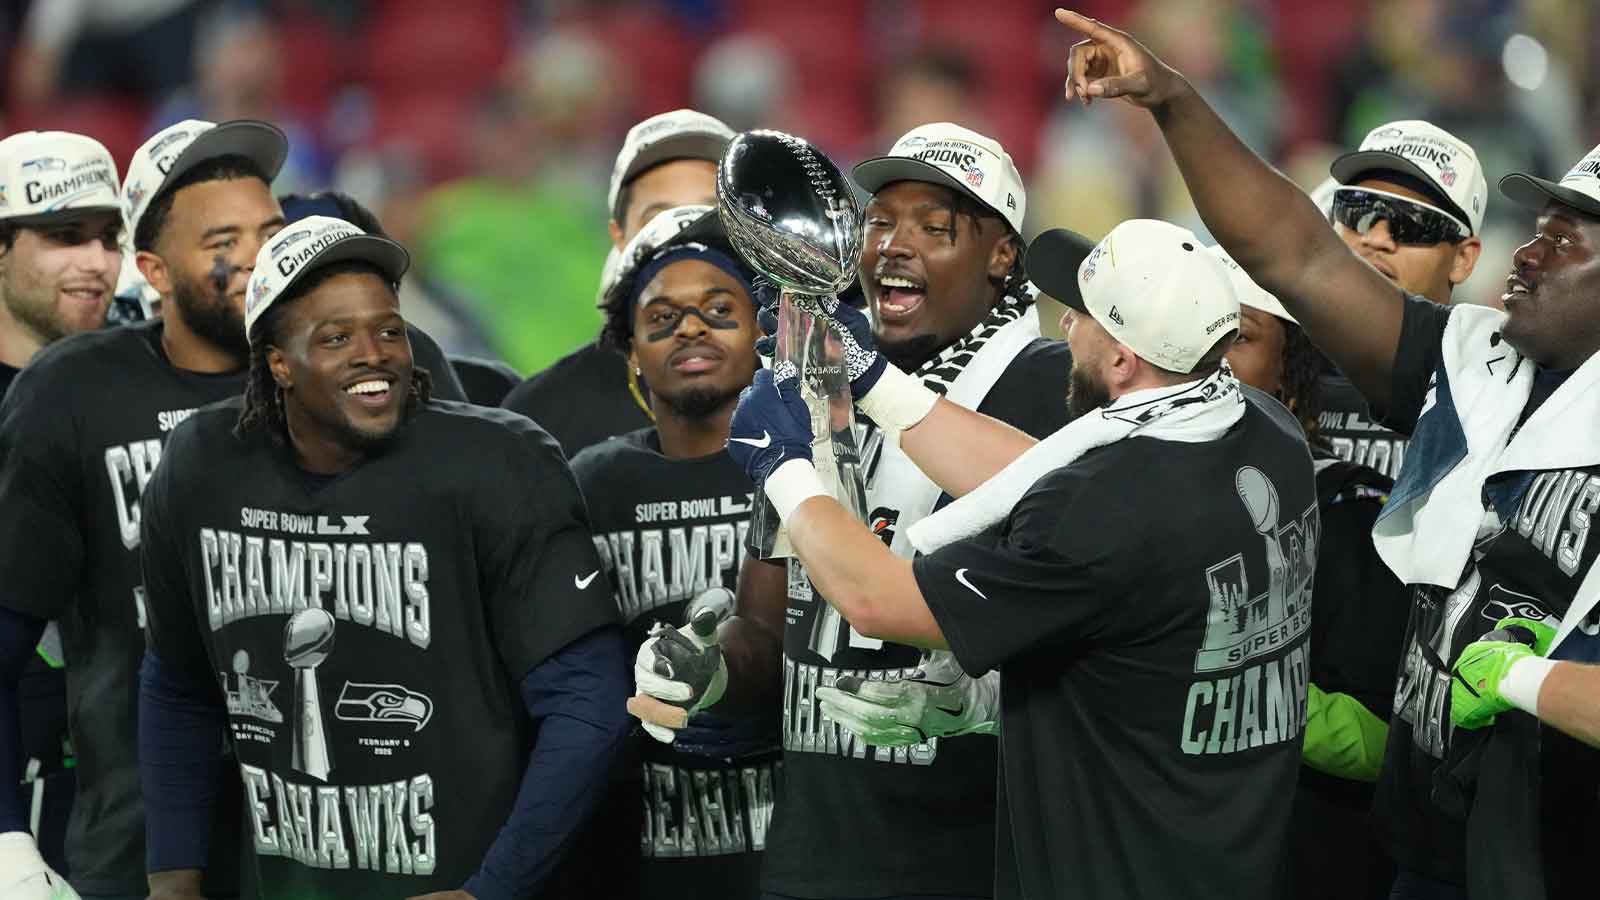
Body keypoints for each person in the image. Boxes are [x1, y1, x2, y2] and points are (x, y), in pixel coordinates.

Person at [1049, 8, 1600, 896]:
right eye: (1538, 229)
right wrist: (1175, 100)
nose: (1527, 253)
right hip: (1423, 839)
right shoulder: (1474, 356)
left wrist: (1527, 680)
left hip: (1558, 850)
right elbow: (1295, 252)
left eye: (1566, 240)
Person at [719, 217, 1315, 900]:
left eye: (1083, 317)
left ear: (1122, 361)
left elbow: (878, 600)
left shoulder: (1101, 514)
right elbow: (1040, 472)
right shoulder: (1263, 432)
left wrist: (785, 465)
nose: (1065, 330)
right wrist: (875, 379)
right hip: (1230, 856)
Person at [632, 122, 1072, 900]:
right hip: (816, 856)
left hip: (978, 857)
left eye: (935, 228)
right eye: (878, 222)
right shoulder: (811, 381)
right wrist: (711, 674)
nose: (893, 246)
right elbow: (770, 627)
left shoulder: (1055, 386)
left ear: (1003, 256)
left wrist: (983, 700)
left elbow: (1092, 621)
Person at [136, 216, 630, 899]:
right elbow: (177, 684)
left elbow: (589, 700)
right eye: (336, 337)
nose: (375, 353)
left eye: (389, 329)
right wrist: (172, 879)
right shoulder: (201, 466)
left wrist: (493, 889)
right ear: (278, 362)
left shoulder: (497, 462)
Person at [0, 117, 296, 900]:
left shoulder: (349, 367)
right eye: (224, 237)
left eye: (273, 229)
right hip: (131, 838)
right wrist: (5, 842)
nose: (258, 256)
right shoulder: (73, 392)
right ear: (156, 269)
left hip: (340, 839)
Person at [571, 204, 777, 898]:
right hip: (644, 848)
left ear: (762, 331)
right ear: (630, 349)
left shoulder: (822, 468)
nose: (689, 326)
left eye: (720, 309)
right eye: (661, 318)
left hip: (795, 847)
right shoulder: (590, 484)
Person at [1214, 248, 1408, 900]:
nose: (1207, 356)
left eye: (1236, 336)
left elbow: (1382, 739)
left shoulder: (1352, 512)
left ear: (1292, 375)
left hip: (1301, 857)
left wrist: (1223, 689)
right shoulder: (1124, 493)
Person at [0, 128, 123, 899]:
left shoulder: (142, 392)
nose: (96, 261)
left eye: (109, 238)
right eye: (64, 235)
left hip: (125, 801)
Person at [503, 109, 735, 456]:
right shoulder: (544, 415)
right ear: (620, 238)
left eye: (709, 216)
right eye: (660, 218)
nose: (688, 234)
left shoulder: (822, 384)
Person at [1317, 120, 1488, 480]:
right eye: (1358, 211)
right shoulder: (1276, 353)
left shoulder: (1490, 395)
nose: (1376, 239)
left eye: (1412, 224)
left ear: (1462, 259)